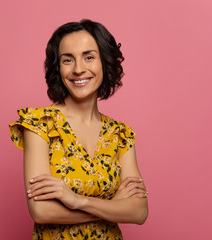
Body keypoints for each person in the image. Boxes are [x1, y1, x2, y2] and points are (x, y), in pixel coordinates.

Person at [9, 19, 148, 240]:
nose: (78, 69)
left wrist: (78, 201)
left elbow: (139, 211)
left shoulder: (120, 134)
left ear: (105, 62)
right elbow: (41, 211)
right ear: (57, 67)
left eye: (89, 57)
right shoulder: (39, 124)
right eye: (67, 60)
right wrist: (113, 207)